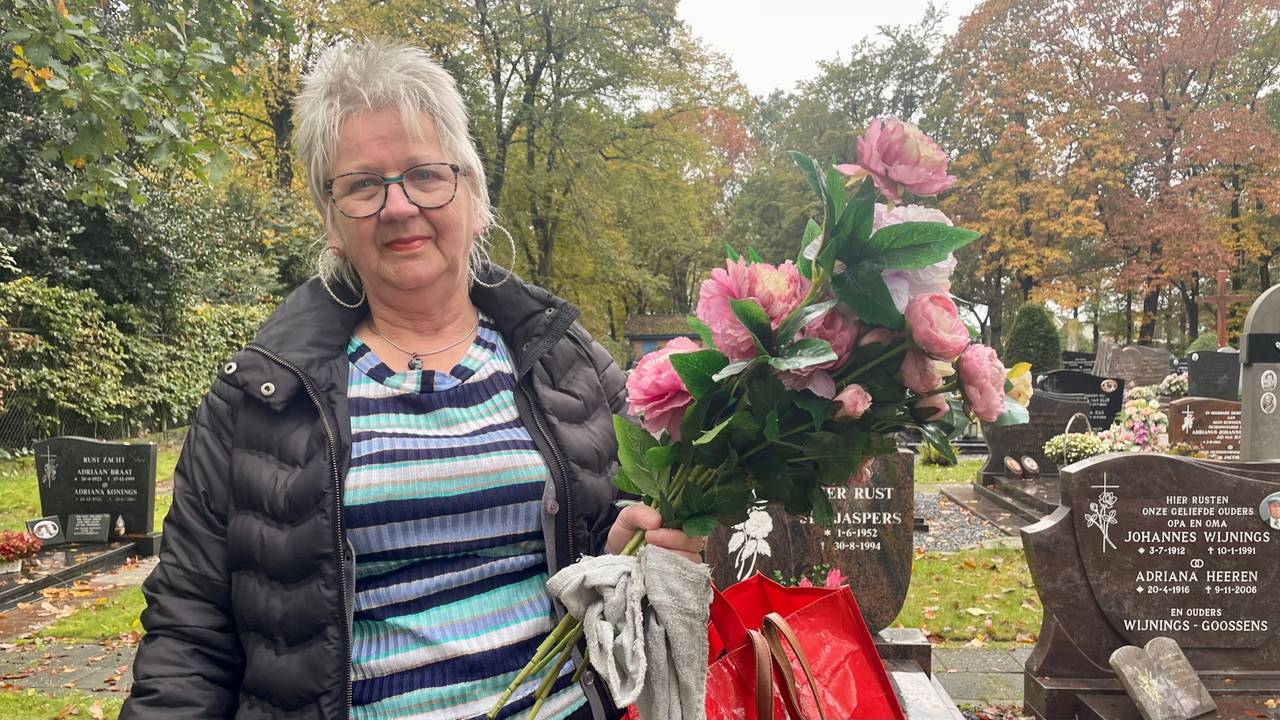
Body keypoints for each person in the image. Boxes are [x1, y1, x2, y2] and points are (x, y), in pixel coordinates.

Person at [121, 40, 702, 720]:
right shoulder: (258, 400)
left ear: (475, 198)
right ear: (332, 221)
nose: (397, 206)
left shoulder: (562, 359)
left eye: (426, 175)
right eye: (363, 185)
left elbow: (624, 536)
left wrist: (629, 546)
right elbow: (189, 633)